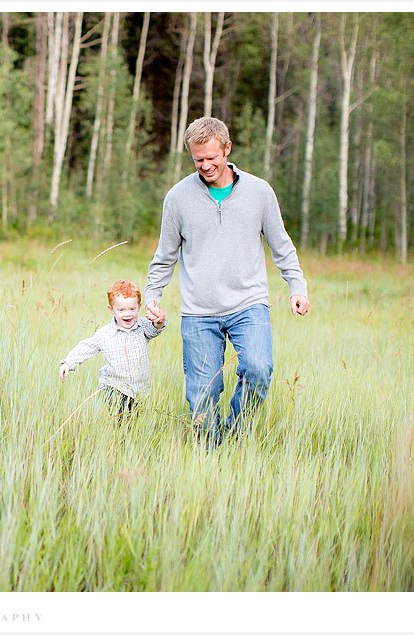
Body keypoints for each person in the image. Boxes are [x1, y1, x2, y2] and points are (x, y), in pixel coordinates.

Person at [143, 117, 309, 446]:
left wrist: (297, 288)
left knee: (259, 370)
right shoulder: (177, 198)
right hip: (199, 311)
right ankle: (211, 456)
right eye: (198, 160)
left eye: (212, 158)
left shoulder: (259, 193)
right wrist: (153, 295)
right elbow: (165, 255)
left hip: (248, 305)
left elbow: (282, 246)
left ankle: (234, 436)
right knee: (202, 398)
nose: (205, 166)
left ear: (227, 149)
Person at [59, 279, 166, 419]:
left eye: (132, 309)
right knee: (119, 418)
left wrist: (159, 322)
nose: (127, 314)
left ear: (139, 307)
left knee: (133, 421)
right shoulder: (105, 334)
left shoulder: (142, 327)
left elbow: (155, 330)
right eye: (121, 310)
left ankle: (127, 439)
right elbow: (87, 346)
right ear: (111, 309)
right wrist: (68, 362)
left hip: (138, 389)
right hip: (113, 386)